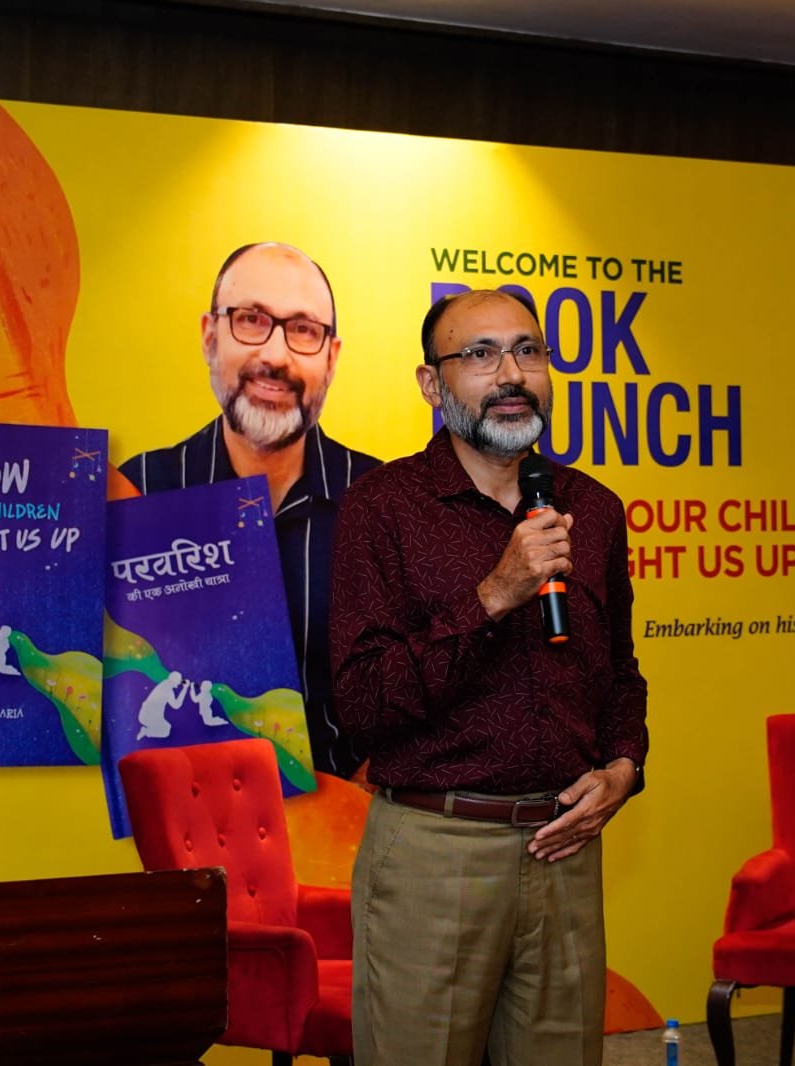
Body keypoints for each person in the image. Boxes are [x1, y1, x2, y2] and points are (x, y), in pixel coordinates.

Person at [331, 288, 648, 1066]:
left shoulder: (592, 508)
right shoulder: (383, 508)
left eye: (527, 351)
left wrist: (623, 766)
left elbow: (620, 673)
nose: (510, 374)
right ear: (431, 383)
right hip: (435, 851)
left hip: (564, 849)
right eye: (479, 355)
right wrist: (495, 596)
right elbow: (363, 701)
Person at [119, 242, 381, 778]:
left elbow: (428, 683)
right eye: (251, 320)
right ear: (209, 336)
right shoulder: (139, 491)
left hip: (351, 820)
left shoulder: (382, 499)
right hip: (185, 817)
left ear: (332, 358)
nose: (276, 357)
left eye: (303, 330)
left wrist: (361, 796)